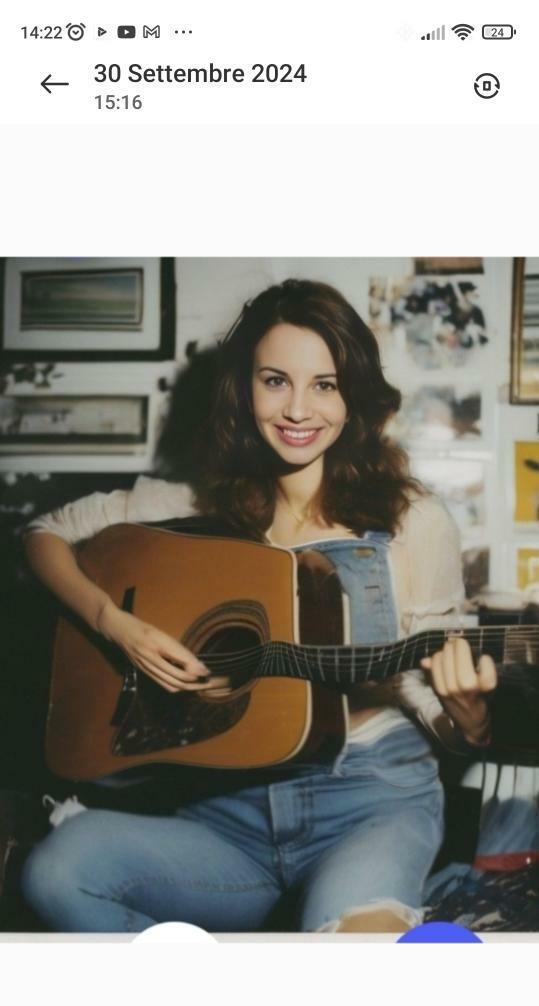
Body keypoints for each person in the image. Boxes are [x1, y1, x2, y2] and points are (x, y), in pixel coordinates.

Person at [21, 279, 497, 934]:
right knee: (56, 870)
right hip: (226, 814)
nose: (298, 409)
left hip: (368, 803)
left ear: (354, 395)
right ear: (244, 388)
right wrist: (117, 626)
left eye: (325, 385)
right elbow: (43, 533)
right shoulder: (191, 504)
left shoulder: (412, 520)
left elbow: (436, 705)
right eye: (276, 380)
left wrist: (467, 715)